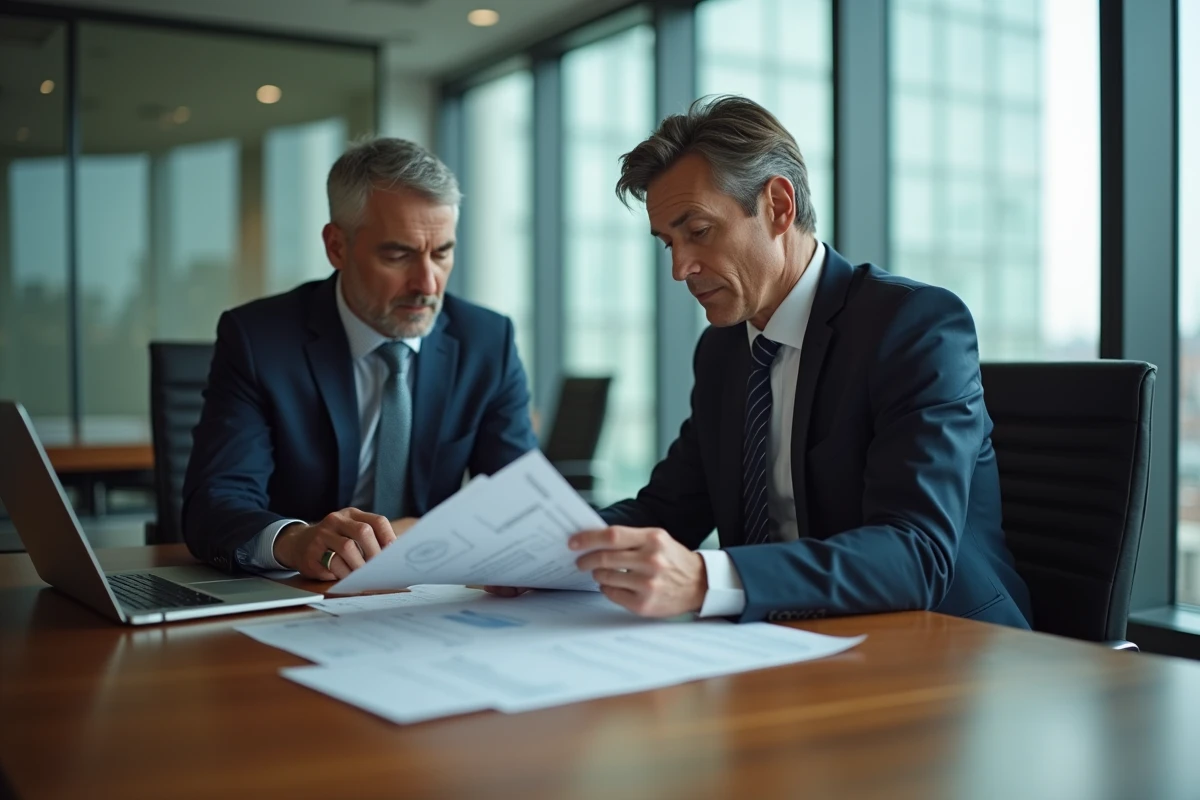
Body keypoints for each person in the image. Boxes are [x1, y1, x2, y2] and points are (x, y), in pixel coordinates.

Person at [568, 96, 1032, 628]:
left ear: (778, 207)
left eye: (697, 231)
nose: (680, 268)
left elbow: (915, 554)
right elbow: (669, 510)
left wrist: (704, 580)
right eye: (667, 242)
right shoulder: (722, 351)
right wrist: (556, 552)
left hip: (942, 645)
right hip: (785, 642)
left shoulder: (912, 326)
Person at [183, 137, 537, 580]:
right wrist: (295, 540)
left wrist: (416, 532)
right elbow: (215, 501)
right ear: (337, 247)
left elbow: (520, 499)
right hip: (299, 595)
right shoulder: (259, 340)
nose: (427, 283)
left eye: (442, 252)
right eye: (398, 254)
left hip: (429, 591)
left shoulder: (487, 340)